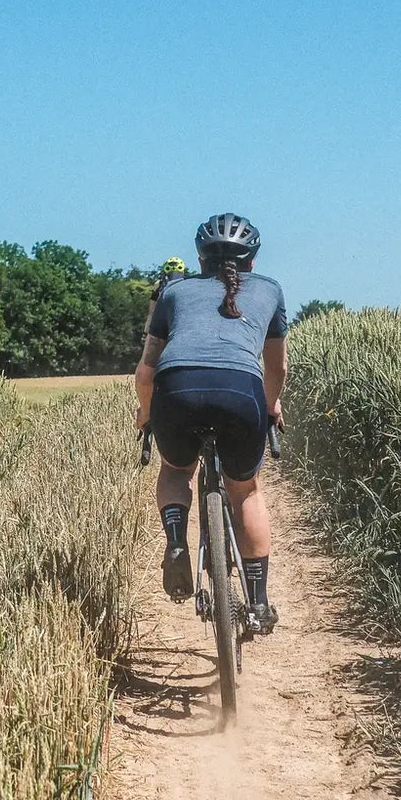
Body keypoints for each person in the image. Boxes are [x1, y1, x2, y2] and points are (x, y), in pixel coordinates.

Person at [135, 213, 289, 634]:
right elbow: (276, 368)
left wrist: (146, 414)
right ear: (251, 261)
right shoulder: (270, 291)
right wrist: (271, 406)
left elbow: (146, 374)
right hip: (241, 390)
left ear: (199, 260)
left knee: (176, 470)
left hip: (176, 389)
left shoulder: (173, 292)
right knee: (246, 492)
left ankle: (176, 540)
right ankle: (257, 602)